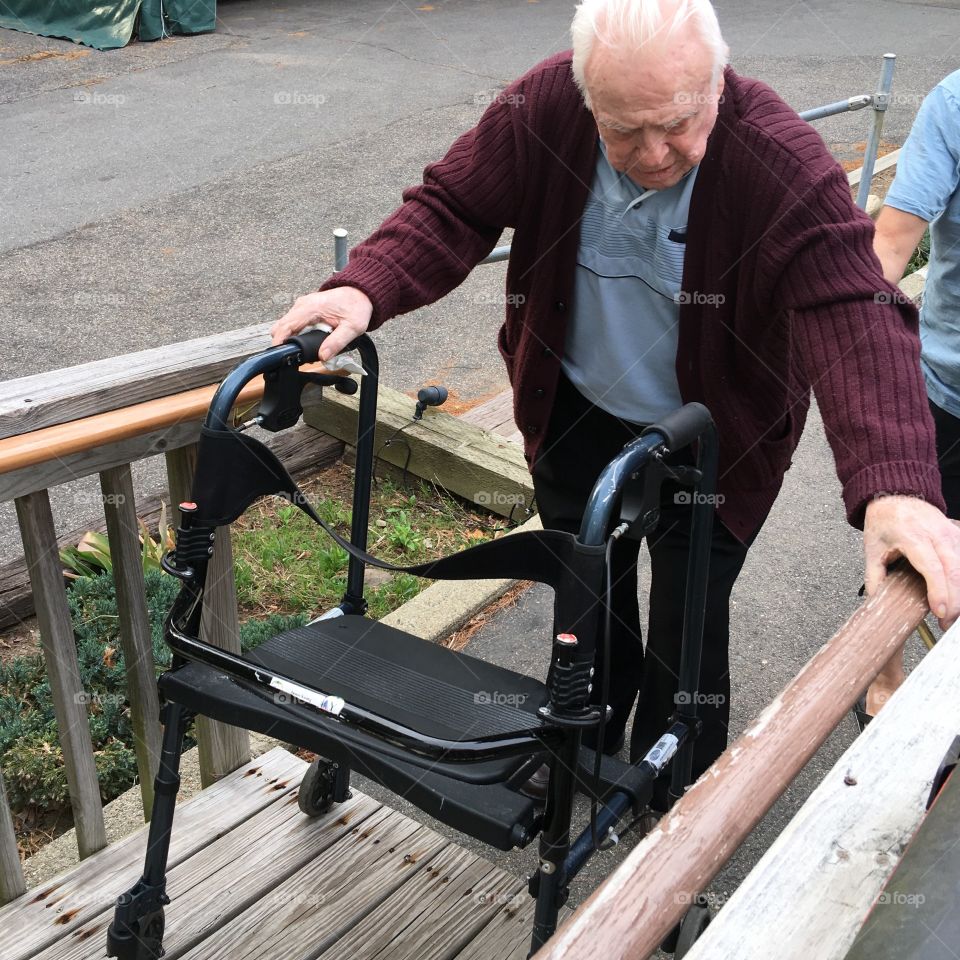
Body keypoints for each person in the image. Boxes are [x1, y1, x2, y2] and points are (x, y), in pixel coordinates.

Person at [272, 0, 960, 810]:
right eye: (623, 129)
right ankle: (581, 753)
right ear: (585, 92)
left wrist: (895, 485)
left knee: (687, 632)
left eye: (674, 124)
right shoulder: (547, 106)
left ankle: (674, 802)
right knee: (587, 606)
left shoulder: (775, 156)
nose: (652, 153)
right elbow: (453, 205)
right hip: (574, 409)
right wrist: (363, 285)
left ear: (716, 84)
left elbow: (851, 306)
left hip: (715, 440)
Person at [866, 68, 960, 720]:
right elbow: (891, 243)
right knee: (902, 553)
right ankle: (882, 681)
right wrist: (869, 387)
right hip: (946, 391)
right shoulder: (956, 103)